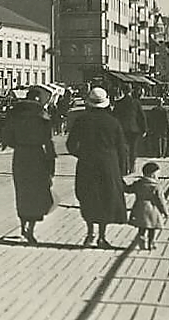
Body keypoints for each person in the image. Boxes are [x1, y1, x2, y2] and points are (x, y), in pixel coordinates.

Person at [67, 87, 128, 249]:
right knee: (106, 198)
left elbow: (70, 145)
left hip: (87, 164)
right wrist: (121, 169)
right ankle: (102, 236)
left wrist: (82, 155)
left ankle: (90, 233)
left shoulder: (81, 120)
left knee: (87, 197)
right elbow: (122, 148)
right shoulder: (113, 122)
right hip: (108, 165)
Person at [0, 86, 57, 245]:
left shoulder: (15, 115)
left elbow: (6, 137)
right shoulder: (42, 116)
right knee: (36, 193)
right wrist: (51, 165)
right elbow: (48, 141)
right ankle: (30, 230)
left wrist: (18, 144)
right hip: (37, 157)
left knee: (22, 191)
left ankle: (22, 225)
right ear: (37, 99)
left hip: (20, 157)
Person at [124, 162, 169, 251]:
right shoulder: (156, 186)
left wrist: (122, 184)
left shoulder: (138, 183)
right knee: (152, 228)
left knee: (142, 226)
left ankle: (141, 237)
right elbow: (161, 201)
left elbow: (128, 189)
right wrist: (165, 211)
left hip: (139, 207)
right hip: (152, 209)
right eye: (157, 174)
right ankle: (151, 242)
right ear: (152, 174)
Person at [112, 85, 147, 175]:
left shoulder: (118, 103)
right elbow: (141, 117)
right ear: (131, 91)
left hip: (122, 129)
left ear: (122, 91)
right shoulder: (136, 102)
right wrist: (144, 129)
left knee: (123, 149)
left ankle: (124, 168)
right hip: (134, 129)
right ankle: (132, 167)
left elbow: (114, 117)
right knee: (133, 149)